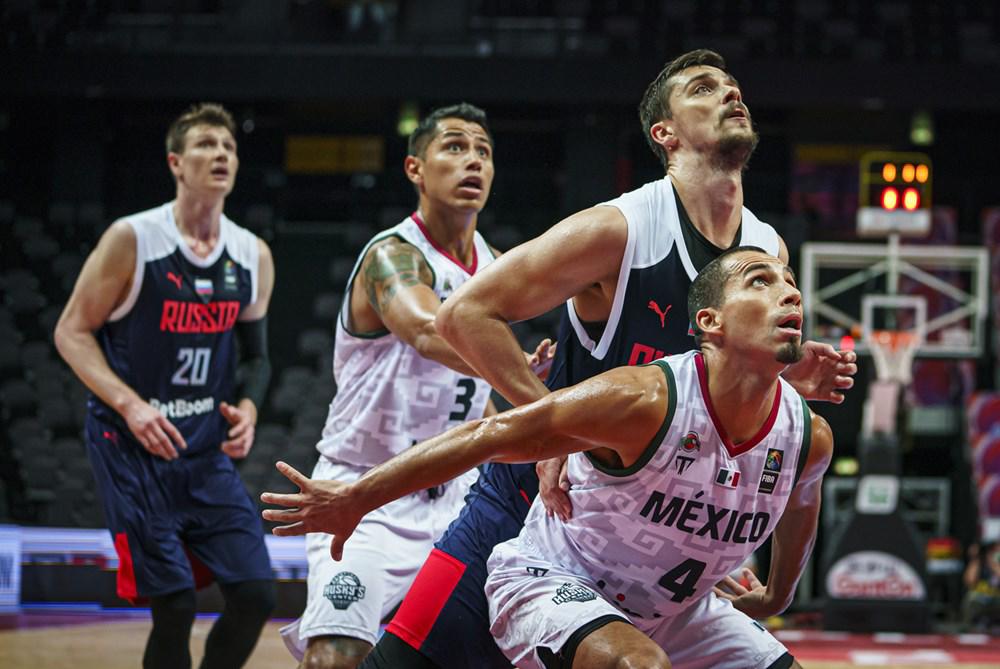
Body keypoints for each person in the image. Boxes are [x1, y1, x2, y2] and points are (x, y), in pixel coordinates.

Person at [264, 49, 856, 668]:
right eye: (705, 88)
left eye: (734, 87)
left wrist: (785, 374)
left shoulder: (766, 248)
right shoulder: (624, 228)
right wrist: (555, 437)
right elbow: (462, 314)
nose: (731, 94)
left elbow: (709, 374)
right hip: (541, 502)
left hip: (646, 518)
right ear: (665, 134)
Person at [266, 247, 832, 668]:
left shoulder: (808, 436)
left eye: (791, 285)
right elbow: (492, 433)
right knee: (637, 666)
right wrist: (358, 498)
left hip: (678, 610)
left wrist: (778, 593)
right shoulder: (642, 399)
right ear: (709, 323)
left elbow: (800, 508)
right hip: (557, 579)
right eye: (761, 281)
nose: (789, 293)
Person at [278, 103, 553, 669]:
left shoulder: (494, 265)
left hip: (455, 497)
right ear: (414, 169)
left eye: (483, 150)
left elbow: (484, 388)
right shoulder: (391, 256)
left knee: (486, 649)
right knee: (337, 650)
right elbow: (431, 330)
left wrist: (523, 386)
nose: (472, 160)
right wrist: (531, 387)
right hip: (368, 491)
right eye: (454, 147)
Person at [54, 103, 276, 669]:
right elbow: (70, 332)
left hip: (202, 453)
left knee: (255, 594)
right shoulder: (133, 239)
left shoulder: (252, 254)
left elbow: (258, 359)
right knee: (174, 605)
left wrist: (249, 406)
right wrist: (130, 406)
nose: (221, 154)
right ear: (176, 162)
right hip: (131, 450)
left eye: (228, 146)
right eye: (206, 144)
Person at [962, 540, 1000, 631]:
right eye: (992, 550)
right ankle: (972, 625)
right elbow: (969, 581)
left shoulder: (995, 563)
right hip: (981, 598)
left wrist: (994, 564)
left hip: (997, 598)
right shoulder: (980, 562)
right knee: (971, 599)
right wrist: (976, 559)